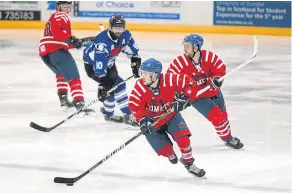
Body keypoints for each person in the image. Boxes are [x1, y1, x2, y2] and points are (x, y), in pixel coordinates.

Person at [128, 58, 205, 177]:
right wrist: (143, 120)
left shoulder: (170, 79)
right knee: (166, 151)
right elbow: (134, 105)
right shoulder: (140, 86)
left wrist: (185, 97)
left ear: (154, 76)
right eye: (141, 73)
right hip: (153, 123)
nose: (141, 77)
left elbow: (190, 84)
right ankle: (169, 152)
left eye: (145, 74)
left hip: (171, 115)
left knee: (184, 140)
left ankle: (189, 163)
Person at [166, 34, 243, 149]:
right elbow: (170, 79)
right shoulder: (180, 62)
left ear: (196, 48)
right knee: (218, 118)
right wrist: (179, 95)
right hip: (198, 98)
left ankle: (228, 137)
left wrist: (217, 79)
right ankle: (228, 139)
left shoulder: (209, 57)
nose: (184, 48)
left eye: (187, 46)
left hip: (214, 92)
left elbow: (220, 69)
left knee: (223, 115)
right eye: (184, 45)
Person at [83, 14, 140, 126]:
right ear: (110, 28)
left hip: (109, 63)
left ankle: (108, 114)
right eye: (115, 28)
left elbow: (132, 50)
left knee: (112, 89)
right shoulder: (102, 43)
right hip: (93, 66)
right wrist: (102, 83)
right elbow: (99, 65)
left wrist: (135, 63)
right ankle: (128, 115)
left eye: (120, 28)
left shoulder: (126, 35)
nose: (118, 31)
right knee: (118, 85)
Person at [38, 1, 94, 116]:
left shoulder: (52, 19)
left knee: (61, 74)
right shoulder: (60, 15)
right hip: (55, 50)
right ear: (58, 7)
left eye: (69, 7)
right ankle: (80, 104)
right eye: (65, 7)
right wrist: (71, 40)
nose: (67, 9)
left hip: (45, 52)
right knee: (74, 77)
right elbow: (59, 33)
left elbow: (61, 39)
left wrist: (80, 43)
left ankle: (63, 100)